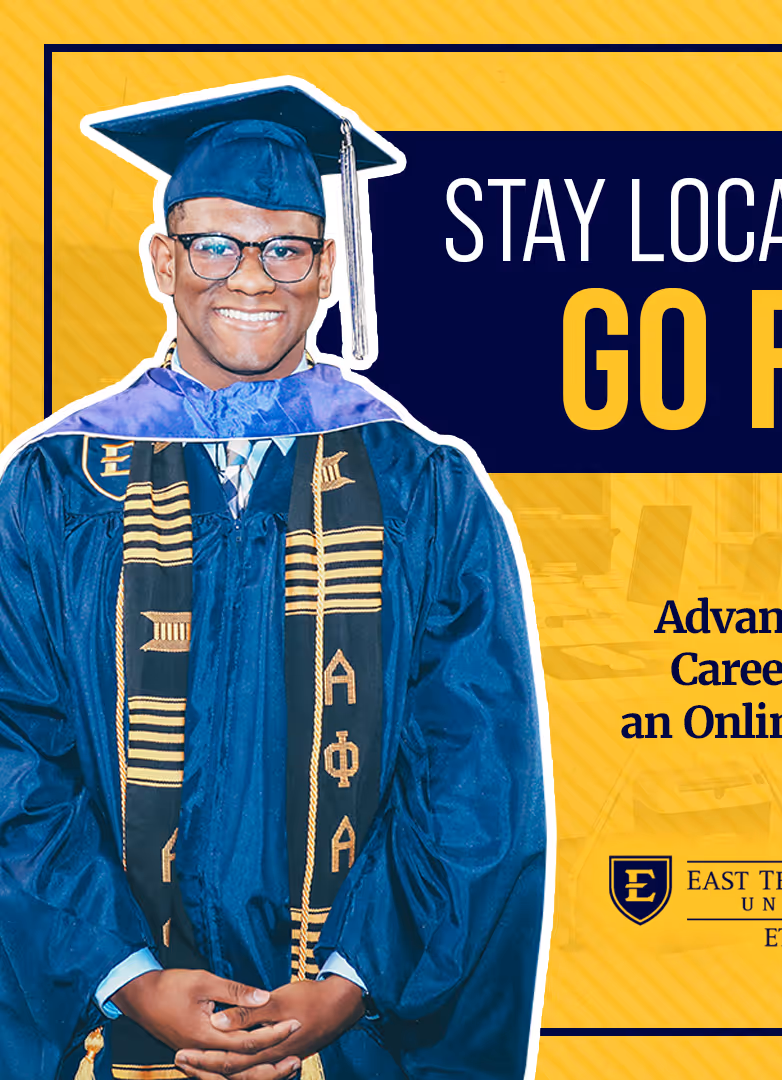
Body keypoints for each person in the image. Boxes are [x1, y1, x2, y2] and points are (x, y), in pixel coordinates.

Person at [0, 81, 547, 1080]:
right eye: (213, 244)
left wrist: (349, 984)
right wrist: (128, 977)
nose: (249, 278)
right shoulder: (57, 484)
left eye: (285, 247)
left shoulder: (424, 487)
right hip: (123, 1032)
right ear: (162, 258)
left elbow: (476, 770)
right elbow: (11, 750)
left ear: (329, 267)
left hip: (351, 1027)